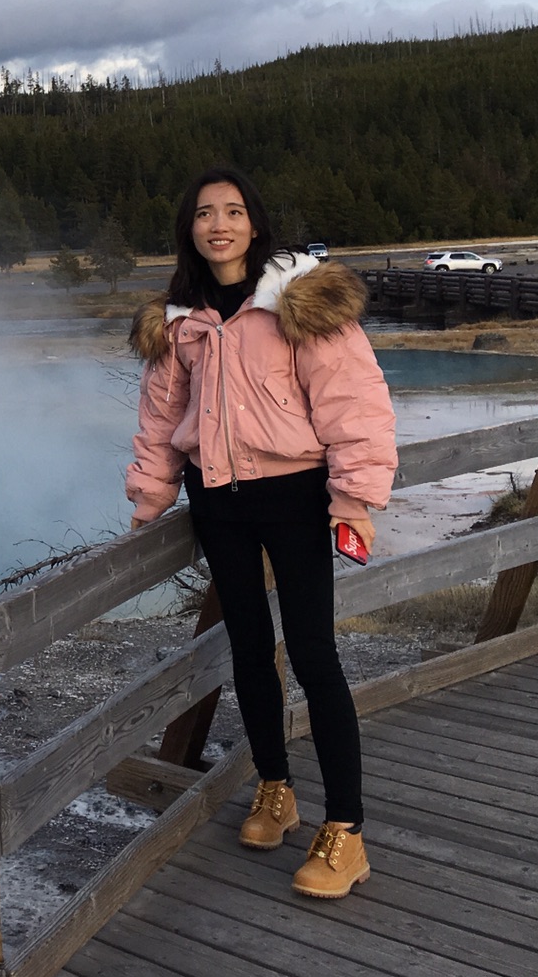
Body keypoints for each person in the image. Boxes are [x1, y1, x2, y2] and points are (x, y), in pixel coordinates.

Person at [124, 168, 396, 899]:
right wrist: (150, 496)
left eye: (234, 211)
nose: (220, 223)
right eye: (205, 212)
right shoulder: (179, 315)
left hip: (296, 499)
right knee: (248, 650)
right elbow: (160, 415)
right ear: (189, 227)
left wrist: (356, 498)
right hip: (218, 502)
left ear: (254, 224)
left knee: (313, 654)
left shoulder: (299, 302)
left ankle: (347, 831)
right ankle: (275, 787)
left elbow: (353, 402)